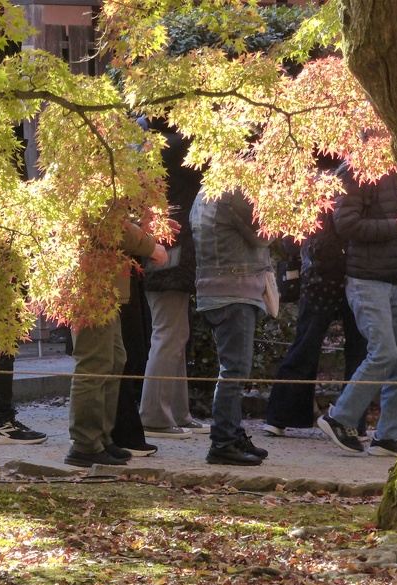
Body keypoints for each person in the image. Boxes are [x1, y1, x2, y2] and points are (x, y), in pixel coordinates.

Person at [317, 166, 397, 457]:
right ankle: (339, 418)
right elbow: (346, 224)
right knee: (384, 352)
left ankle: (388, 437)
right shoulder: (357, 168)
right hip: (366, 279)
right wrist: (395, 228)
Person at [65, 224, 168, 468]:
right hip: (91, 286)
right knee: (94, 363)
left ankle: (101, 439)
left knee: (114, 359)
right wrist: (151, 245)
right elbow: (112, 225)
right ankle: (85, 444)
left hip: (105, 286)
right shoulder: (93, 197)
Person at [263, 207, 368, 437]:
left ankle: (281, 417)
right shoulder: (358, 190)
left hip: (325, 273)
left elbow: (290, 241)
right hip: (344, 272)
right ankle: (352, 422)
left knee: (309, 344)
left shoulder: (311, 191)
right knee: (351, 348)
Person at [137, 117, 209, 439]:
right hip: (170, 251)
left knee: (175, 333)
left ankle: (177, 412)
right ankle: (155, 415)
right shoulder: (176, 145)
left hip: (165, 249)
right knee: (169, 333)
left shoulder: (150, 145)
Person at [190, 187, 272, 466]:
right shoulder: (232, 192)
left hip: (215, 291)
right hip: (233, 291)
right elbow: (263, 234)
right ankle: (223, 442)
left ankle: (233, 435)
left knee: (232, 370)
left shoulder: (205, 192)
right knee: (234, 371)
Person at [110, 266, 159, 456]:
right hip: (111, 282)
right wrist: (151, 250)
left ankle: (115, 434)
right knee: (118, 357)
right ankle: (110, 435)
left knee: (125, 356)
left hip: (124, 280)